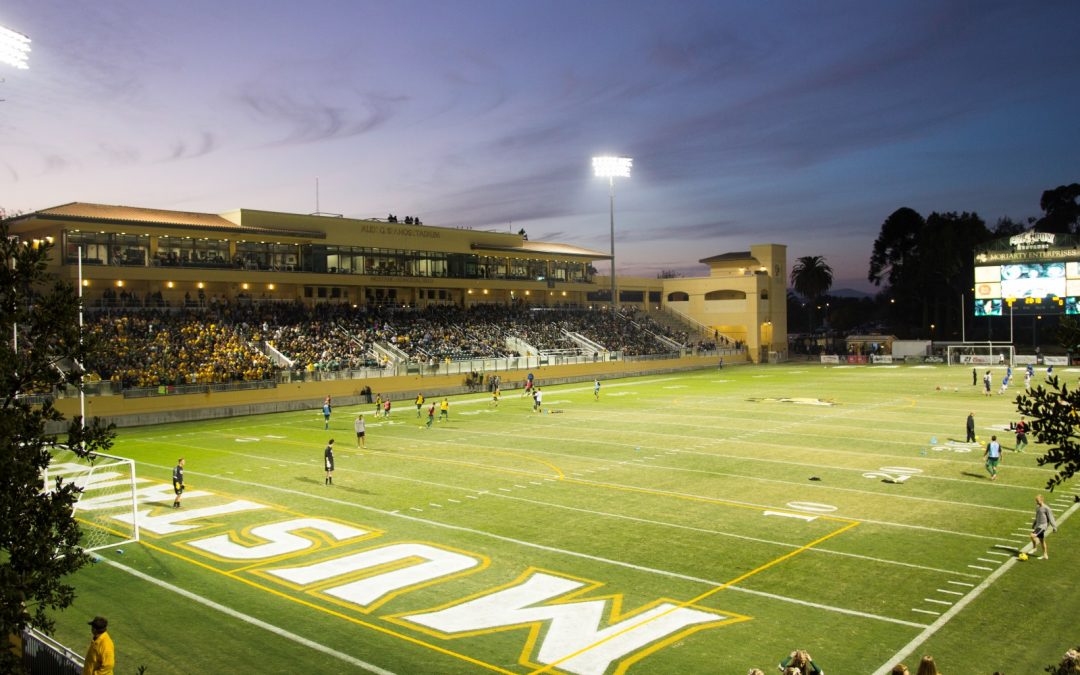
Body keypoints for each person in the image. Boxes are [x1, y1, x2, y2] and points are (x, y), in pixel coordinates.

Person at [1028, 493, 1059, 559]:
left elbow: (1051, 518)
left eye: (1037, 500)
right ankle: (1045, 555)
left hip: (1043, 526)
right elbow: (1037, 517)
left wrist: (1054, 527)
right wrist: (1034, 524)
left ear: (1042, 500)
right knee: (1042, 541)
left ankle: (1034, 548)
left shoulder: (1046, 508)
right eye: (1036, 500)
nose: (1036, 502)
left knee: (1032, 535)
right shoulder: (1037, 507)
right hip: (1038, 525)